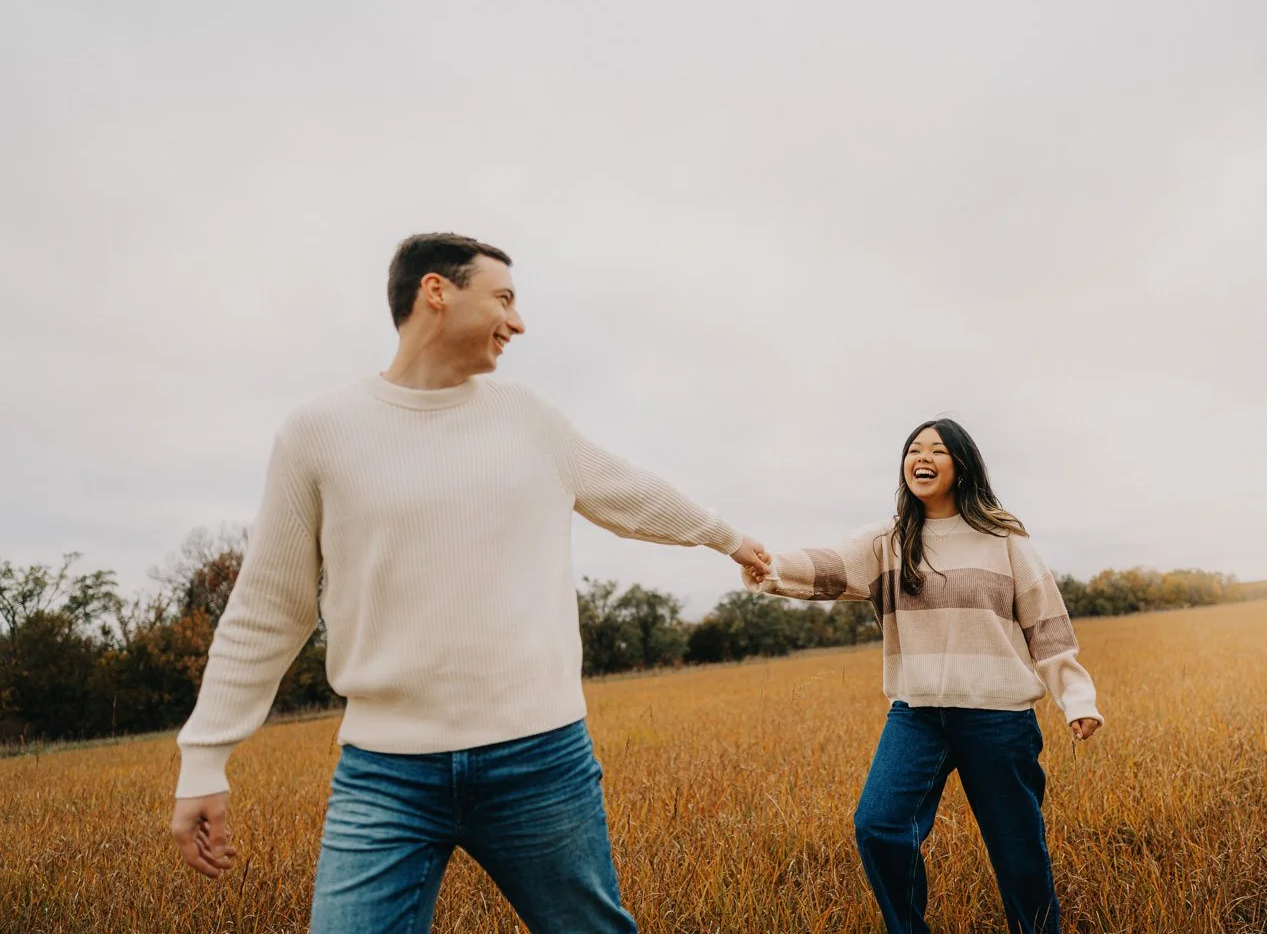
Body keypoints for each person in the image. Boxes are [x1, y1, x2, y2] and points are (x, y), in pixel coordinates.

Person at [168, 232, 771, 934]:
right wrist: (203, 758)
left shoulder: (528, 418)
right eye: (504, 300)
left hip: (540, 758)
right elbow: (268, 609)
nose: (518, 323)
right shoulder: (318, 432)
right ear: (436, 291)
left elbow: (628, 491)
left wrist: (727, 538)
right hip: (383, 776)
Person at [745, 418, 1102, 934]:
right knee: (879, 827)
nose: (923, 457)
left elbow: (1046, 623)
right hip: (917, 714)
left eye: (937, 449)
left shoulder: (1003, 538)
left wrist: (1077, 697)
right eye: (914, 449)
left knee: (1018, 851)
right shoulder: (887, 542)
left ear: (962, 464)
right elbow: (829, 566)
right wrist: (769, 564)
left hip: (997, 717)